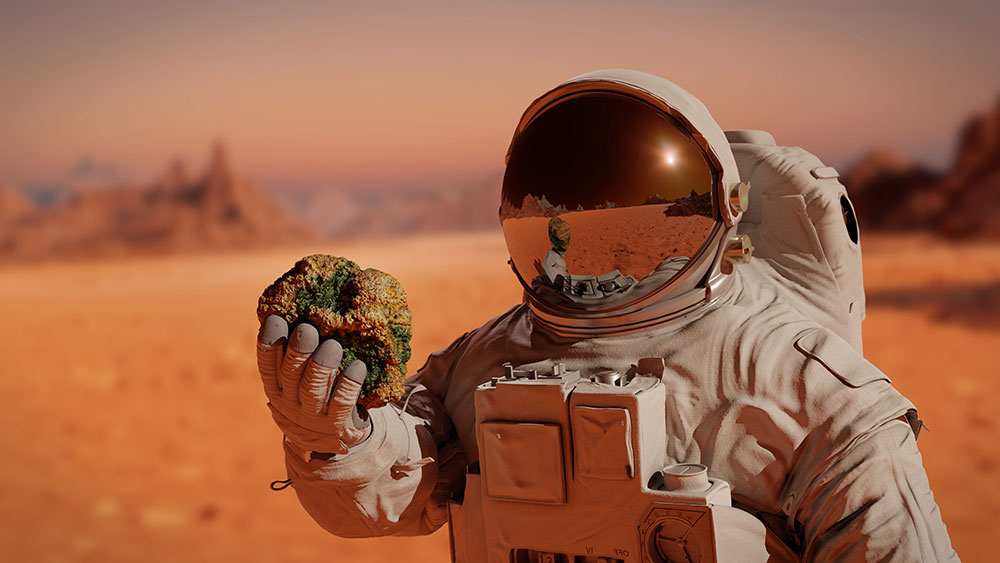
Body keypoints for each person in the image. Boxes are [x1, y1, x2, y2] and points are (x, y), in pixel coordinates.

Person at [256, 69, 958, 561]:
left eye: (627, 206)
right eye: (555, 207)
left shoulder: (804, 388)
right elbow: (394, 494)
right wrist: (337, 438)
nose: (593, 252)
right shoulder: (485, 360)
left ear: (728, 211)